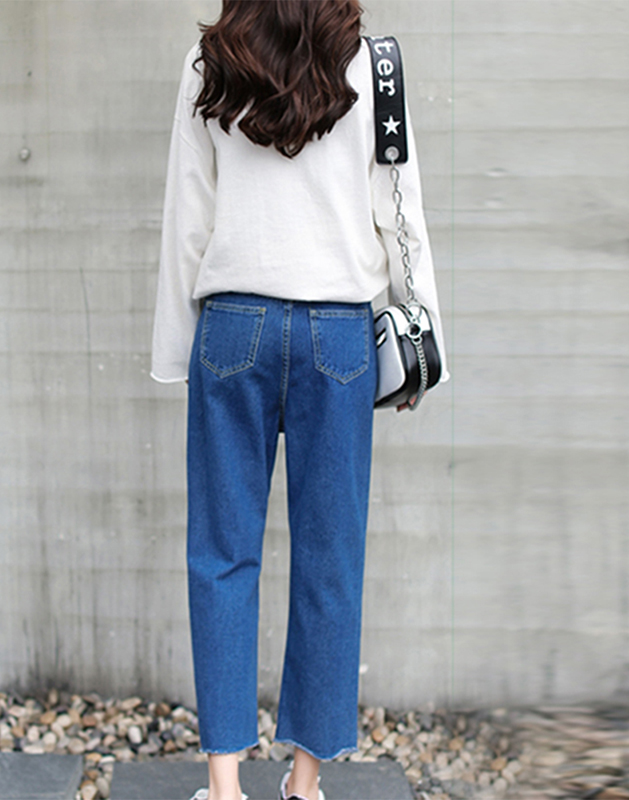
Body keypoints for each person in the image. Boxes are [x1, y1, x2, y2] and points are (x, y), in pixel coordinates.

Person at [150, 1, 447, 798]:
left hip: (233, 326)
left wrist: (176, 352)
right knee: (330, 559)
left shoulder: (211, 62)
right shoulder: (374, 65)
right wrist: (421, 352)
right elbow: (401, 214)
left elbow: (188, 217)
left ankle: (223, 787)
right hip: (339, 336)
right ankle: (305, 784)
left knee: (221, 555)